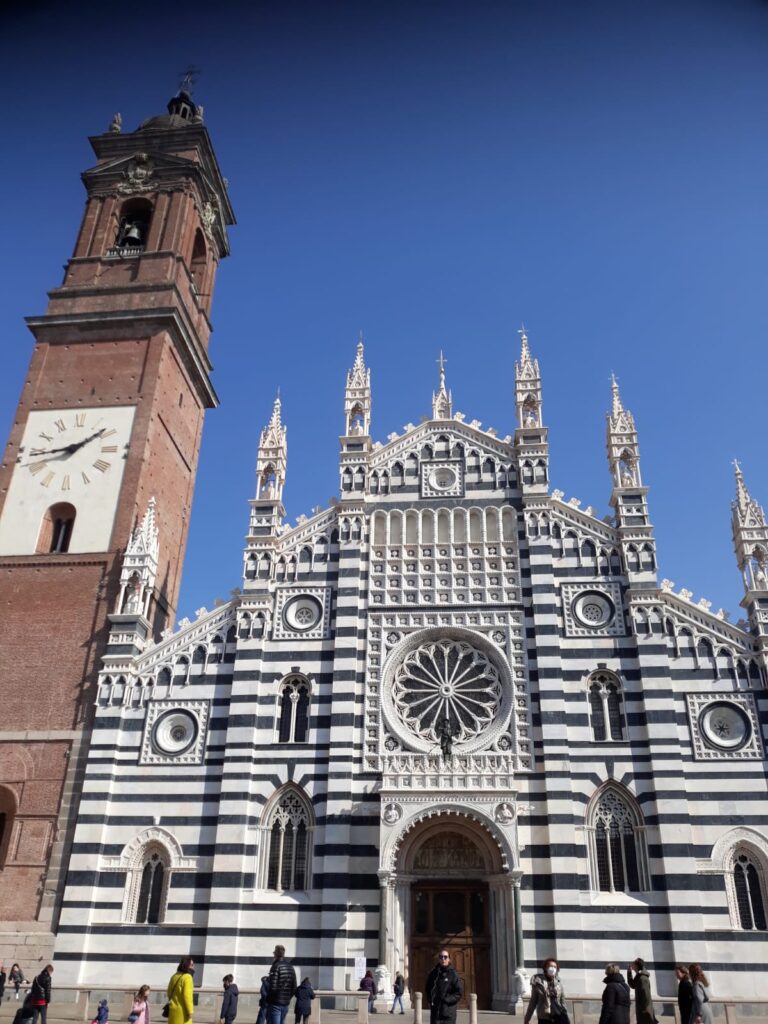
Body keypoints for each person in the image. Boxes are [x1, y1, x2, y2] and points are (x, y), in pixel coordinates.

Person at [425, 950, 463, 1024]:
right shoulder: (434, 973)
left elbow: (458, 992)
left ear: (449, 959)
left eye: (445, 957)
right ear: (438, 959)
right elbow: (428, 988)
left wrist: (446, 1000)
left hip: (448, 1013)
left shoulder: (453, 974)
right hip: (435, 1013)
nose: (443, 959)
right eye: (441, 957)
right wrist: (431, 1000)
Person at [524, 959, 567, 1024]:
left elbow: (562, 1002)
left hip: (558, 1016)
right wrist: (527, 1019)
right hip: (544, 1018)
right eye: (550, 966)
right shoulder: (538, 982)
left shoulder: (559, 983)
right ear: (545, 968)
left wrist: (566, 1017)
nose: (552, 969)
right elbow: (532, 1003)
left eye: (555, 967)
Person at [267, 945, 297, 1024]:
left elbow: (272, 987)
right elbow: (294, 988)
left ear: (276, 954)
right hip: (285, 1003)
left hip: (275, 1002)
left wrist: (270, 999)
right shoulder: (291, 967)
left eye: (274, 953)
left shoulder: (275, 966)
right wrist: (287, 998)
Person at [166, 957, 195, 1024]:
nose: (193, 967)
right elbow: (187, 996)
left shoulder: (174, 976)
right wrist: (190, 1011)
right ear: (187, 966)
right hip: (182, 1012)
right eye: (192, 965)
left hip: (172, 1010)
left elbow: (168, 992)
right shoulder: (187, 977)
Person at [626, 960, 655, 1024]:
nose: (632, 966)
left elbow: (646, 995)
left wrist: (644, 1009)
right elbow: (633, 985)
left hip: (645, 1011)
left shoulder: (642, 978)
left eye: (633, 964)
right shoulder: (638, 976)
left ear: (636, 966)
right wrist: (629, 973)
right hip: (642, 1010)